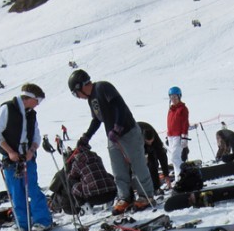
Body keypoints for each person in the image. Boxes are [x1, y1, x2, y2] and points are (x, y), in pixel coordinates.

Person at [68, 69, 155, 215]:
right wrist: (86, 137)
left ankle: (146, 195)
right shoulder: (91, 99)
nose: (78, 97)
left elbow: (119, 105)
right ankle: (124, 197)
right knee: (118, 168)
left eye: (75, 93)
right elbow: (97, 119)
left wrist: (118, 127)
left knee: (137, 164)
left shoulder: (102, 87)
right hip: (113, 137)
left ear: (80, 86)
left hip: (127, 131)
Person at [0, 82, 54, 231]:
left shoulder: (31, 114)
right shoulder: (7, 109)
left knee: (32, 188)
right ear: (30, 98)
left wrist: (32, 150)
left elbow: (36, 136)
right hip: (11, 159)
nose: (37, 105)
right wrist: (10, 152)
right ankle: (22, 223)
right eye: (37, 101)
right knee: (16, 192)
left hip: (27, 157)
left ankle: (42, 220)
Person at [55, 146, 117, 213]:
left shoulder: (77, 163)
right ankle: (109, 202)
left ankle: (84, 206)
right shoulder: (98, 158)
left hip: (93, 198)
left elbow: (71, 177)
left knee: (75, 186)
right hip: (111, 194)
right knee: (107, 177)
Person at [166, 86, 190, 182]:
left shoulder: (183, 109)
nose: (173, 99)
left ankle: (181, 177)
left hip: (178, 136)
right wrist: (168, 136)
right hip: (171, 136)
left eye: (175, 97)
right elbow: (170, 123)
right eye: (171, 97)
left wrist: (184, 137)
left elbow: (185, 123)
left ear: (179, 96)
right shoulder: (171, 109)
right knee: (175, 159)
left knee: (174, 157)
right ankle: (178, 179)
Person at [139, 122, 171, 190]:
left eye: (151, 141)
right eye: (148, 142)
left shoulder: (156, 141)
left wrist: (166, 175)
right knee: (142, 165)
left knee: (153, 163)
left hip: (147, 140)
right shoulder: (137, 140)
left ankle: (156, 188)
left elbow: (162, 157)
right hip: (136, 143)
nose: (150, 143)